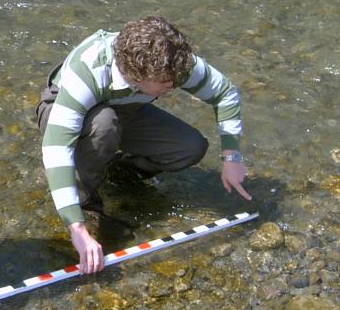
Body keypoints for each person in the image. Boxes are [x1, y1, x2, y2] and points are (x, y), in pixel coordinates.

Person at [35, 16, 251, 275]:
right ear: (137, 73)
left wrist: (231, 156)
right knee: (104, 125)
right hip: (62, 109)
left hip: (127, 109)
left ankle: (119, 171)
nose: (174, 85)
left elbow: (225, 93)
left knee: (190, 146)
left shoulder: (173, 62)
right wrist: (76, 227)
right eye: (165, 84)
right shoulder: (88, 71)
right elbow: (56, 148)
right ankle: (86, 203)